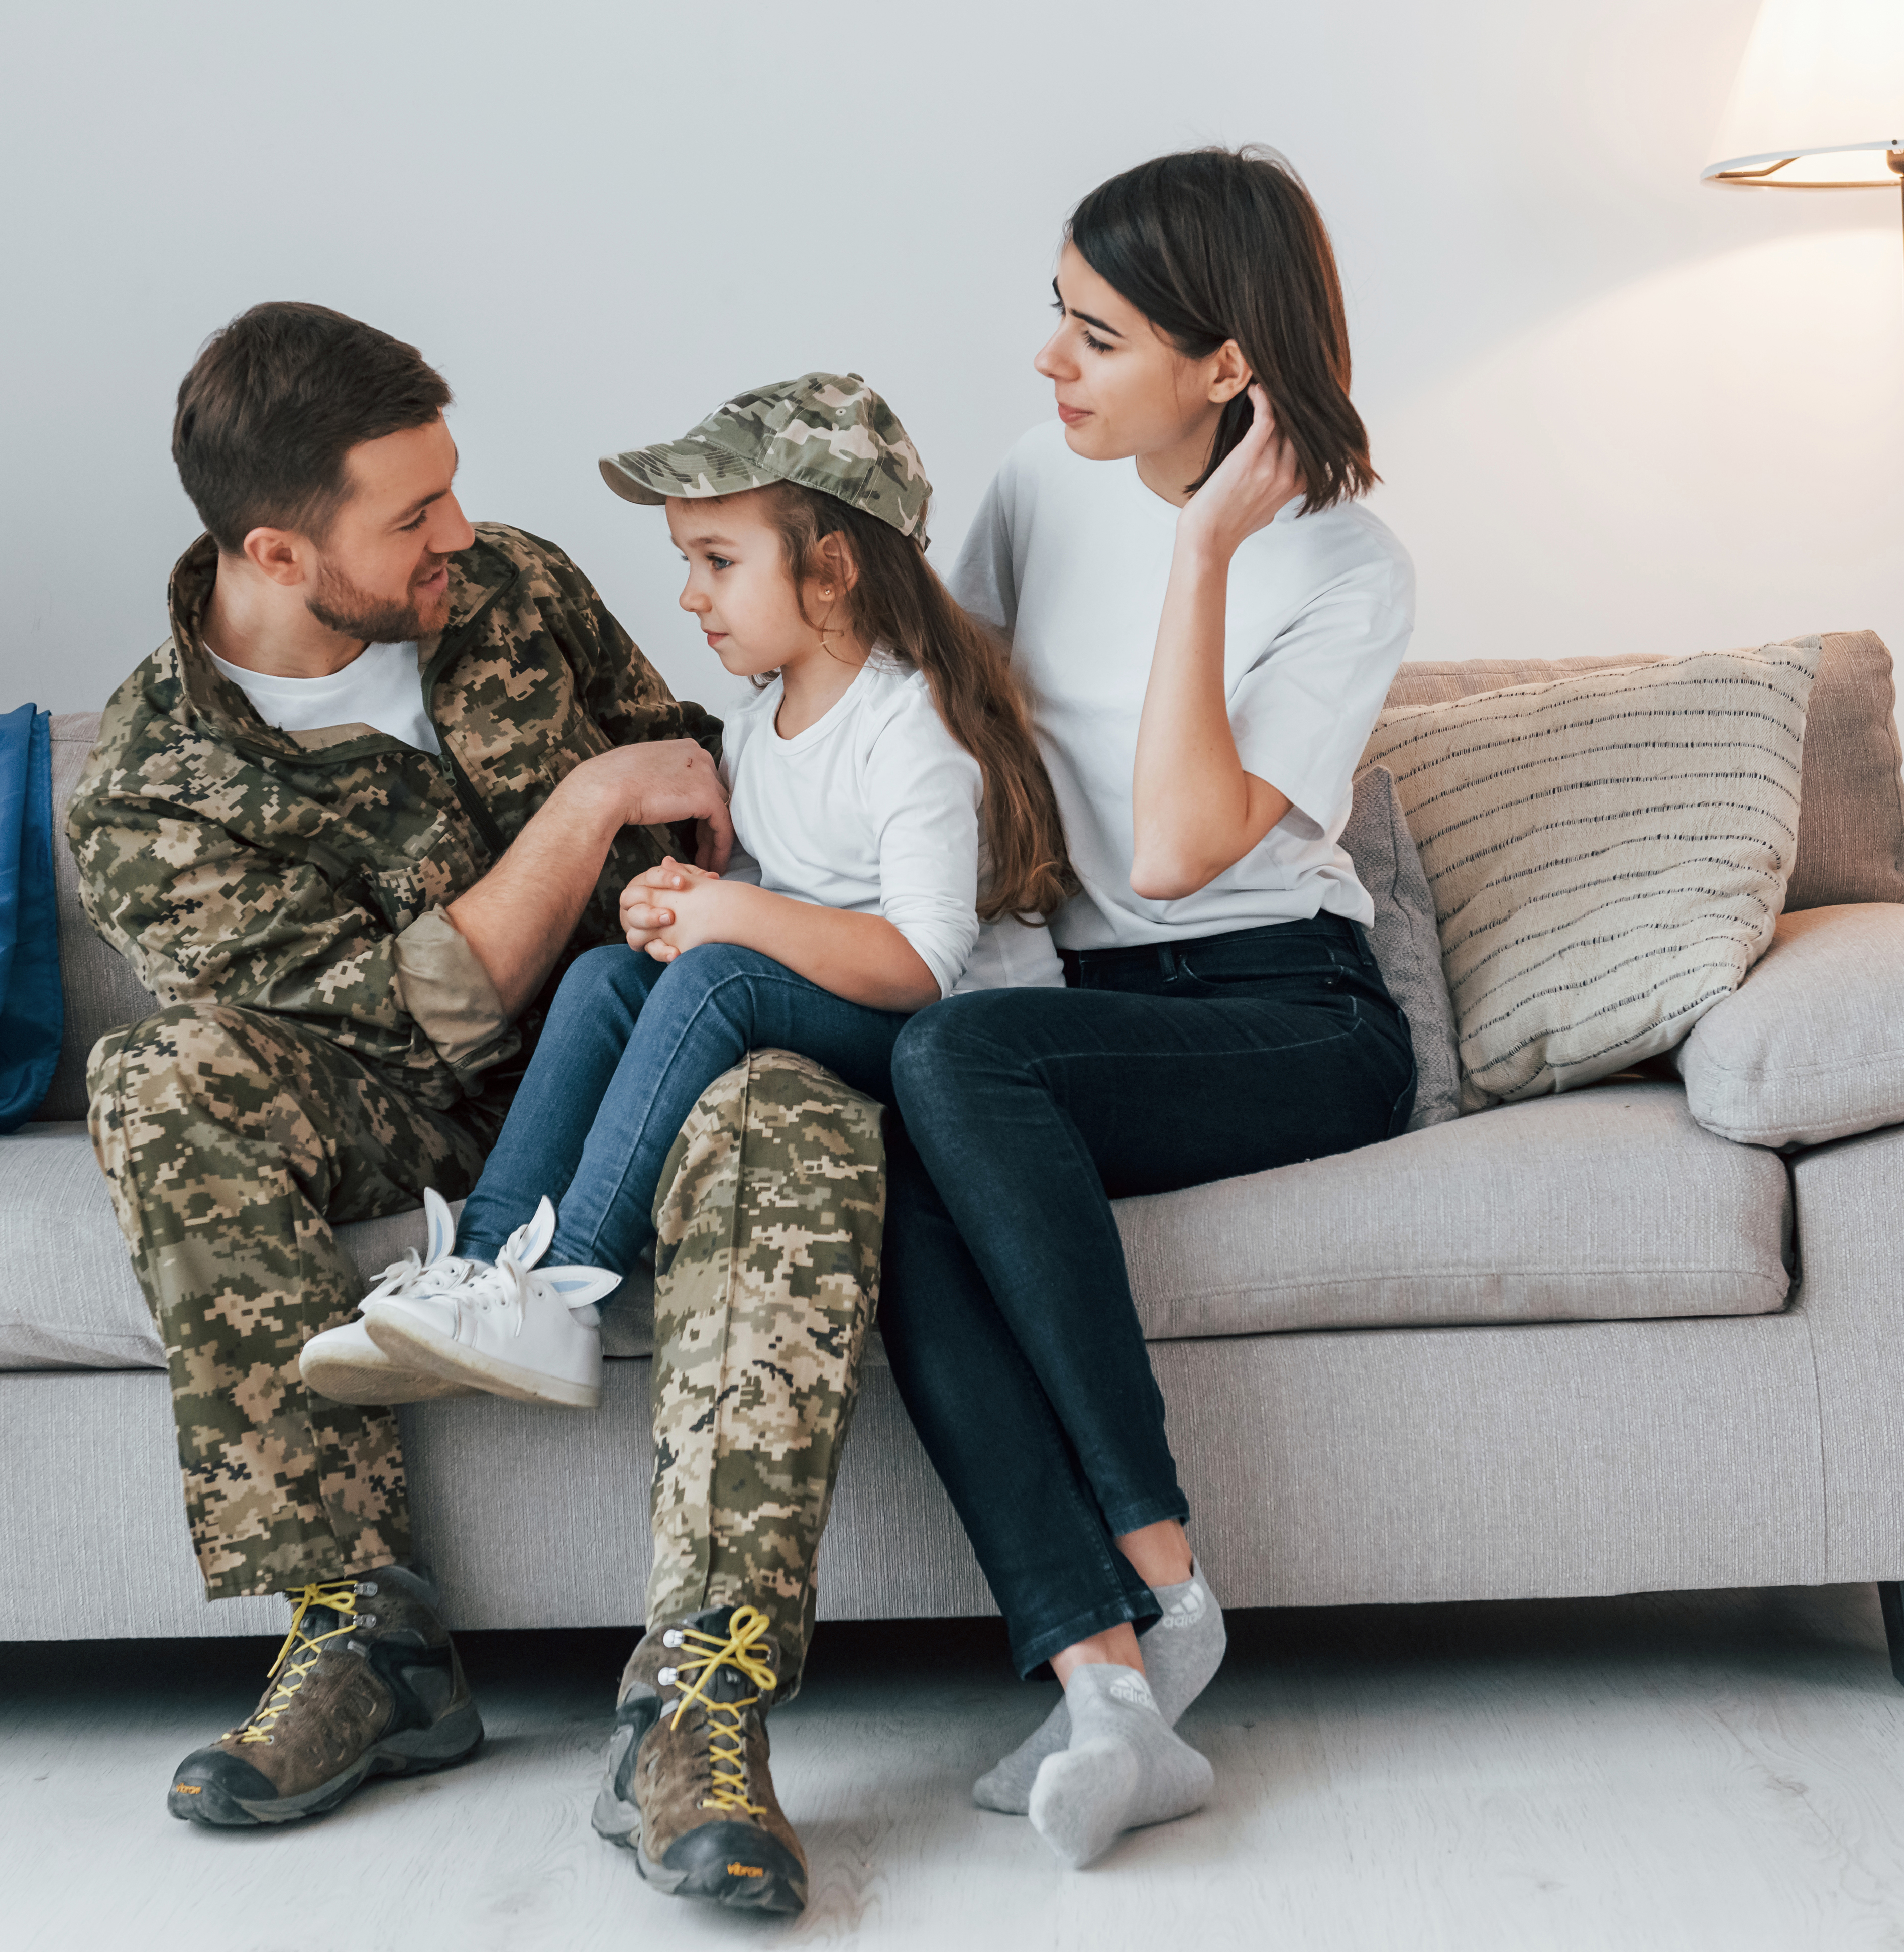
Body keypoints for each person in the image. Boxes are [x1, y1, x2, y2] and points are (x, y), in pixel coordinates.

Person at [68, 302, 881, 1918]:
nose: (460, 532)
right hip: (402, 1107)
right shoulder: (147, 789)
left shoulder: (511, 585)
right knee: (155, 1077)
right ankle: (362, 1637)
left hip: (651, 1051)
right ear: (277, 554)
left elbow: (703, 774)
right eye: (412, 516)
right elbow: (421, 1010)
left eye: (450, 490)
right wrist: (585, 808)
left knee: (794, 1109)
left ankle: (696, 1693)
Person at [877, 146, 1420, 1869]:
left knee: (953, 1053)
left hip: (1290, 1008)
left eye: (1096, 336)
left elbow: (1184, 852)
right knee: (900, 1156)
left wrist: (1200, 556)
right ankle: (1106, 1674)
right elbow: (934, 724)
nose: (1051, 363)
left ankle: (1167, 1576)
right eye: (1060, 316)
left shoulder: (1344, 567)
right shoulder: (1040, 483)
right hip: (1077, 1012)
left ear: (1228, 367)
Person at [315, 373, 1069, 1413]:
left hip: (954, 1048)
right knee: (604, 975)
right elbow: (767, 894)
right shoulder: (758, 726)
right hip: (844, 1012)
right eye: (687, 562)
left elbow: (923, 967)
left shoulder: (909, 728)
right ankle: (482, 1267)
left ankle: (566, 1291)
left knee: (718, 977)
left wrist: (729, 923)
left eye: (716, 561)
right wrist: (678, 906)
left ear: (830, 571)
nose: (688, 594)